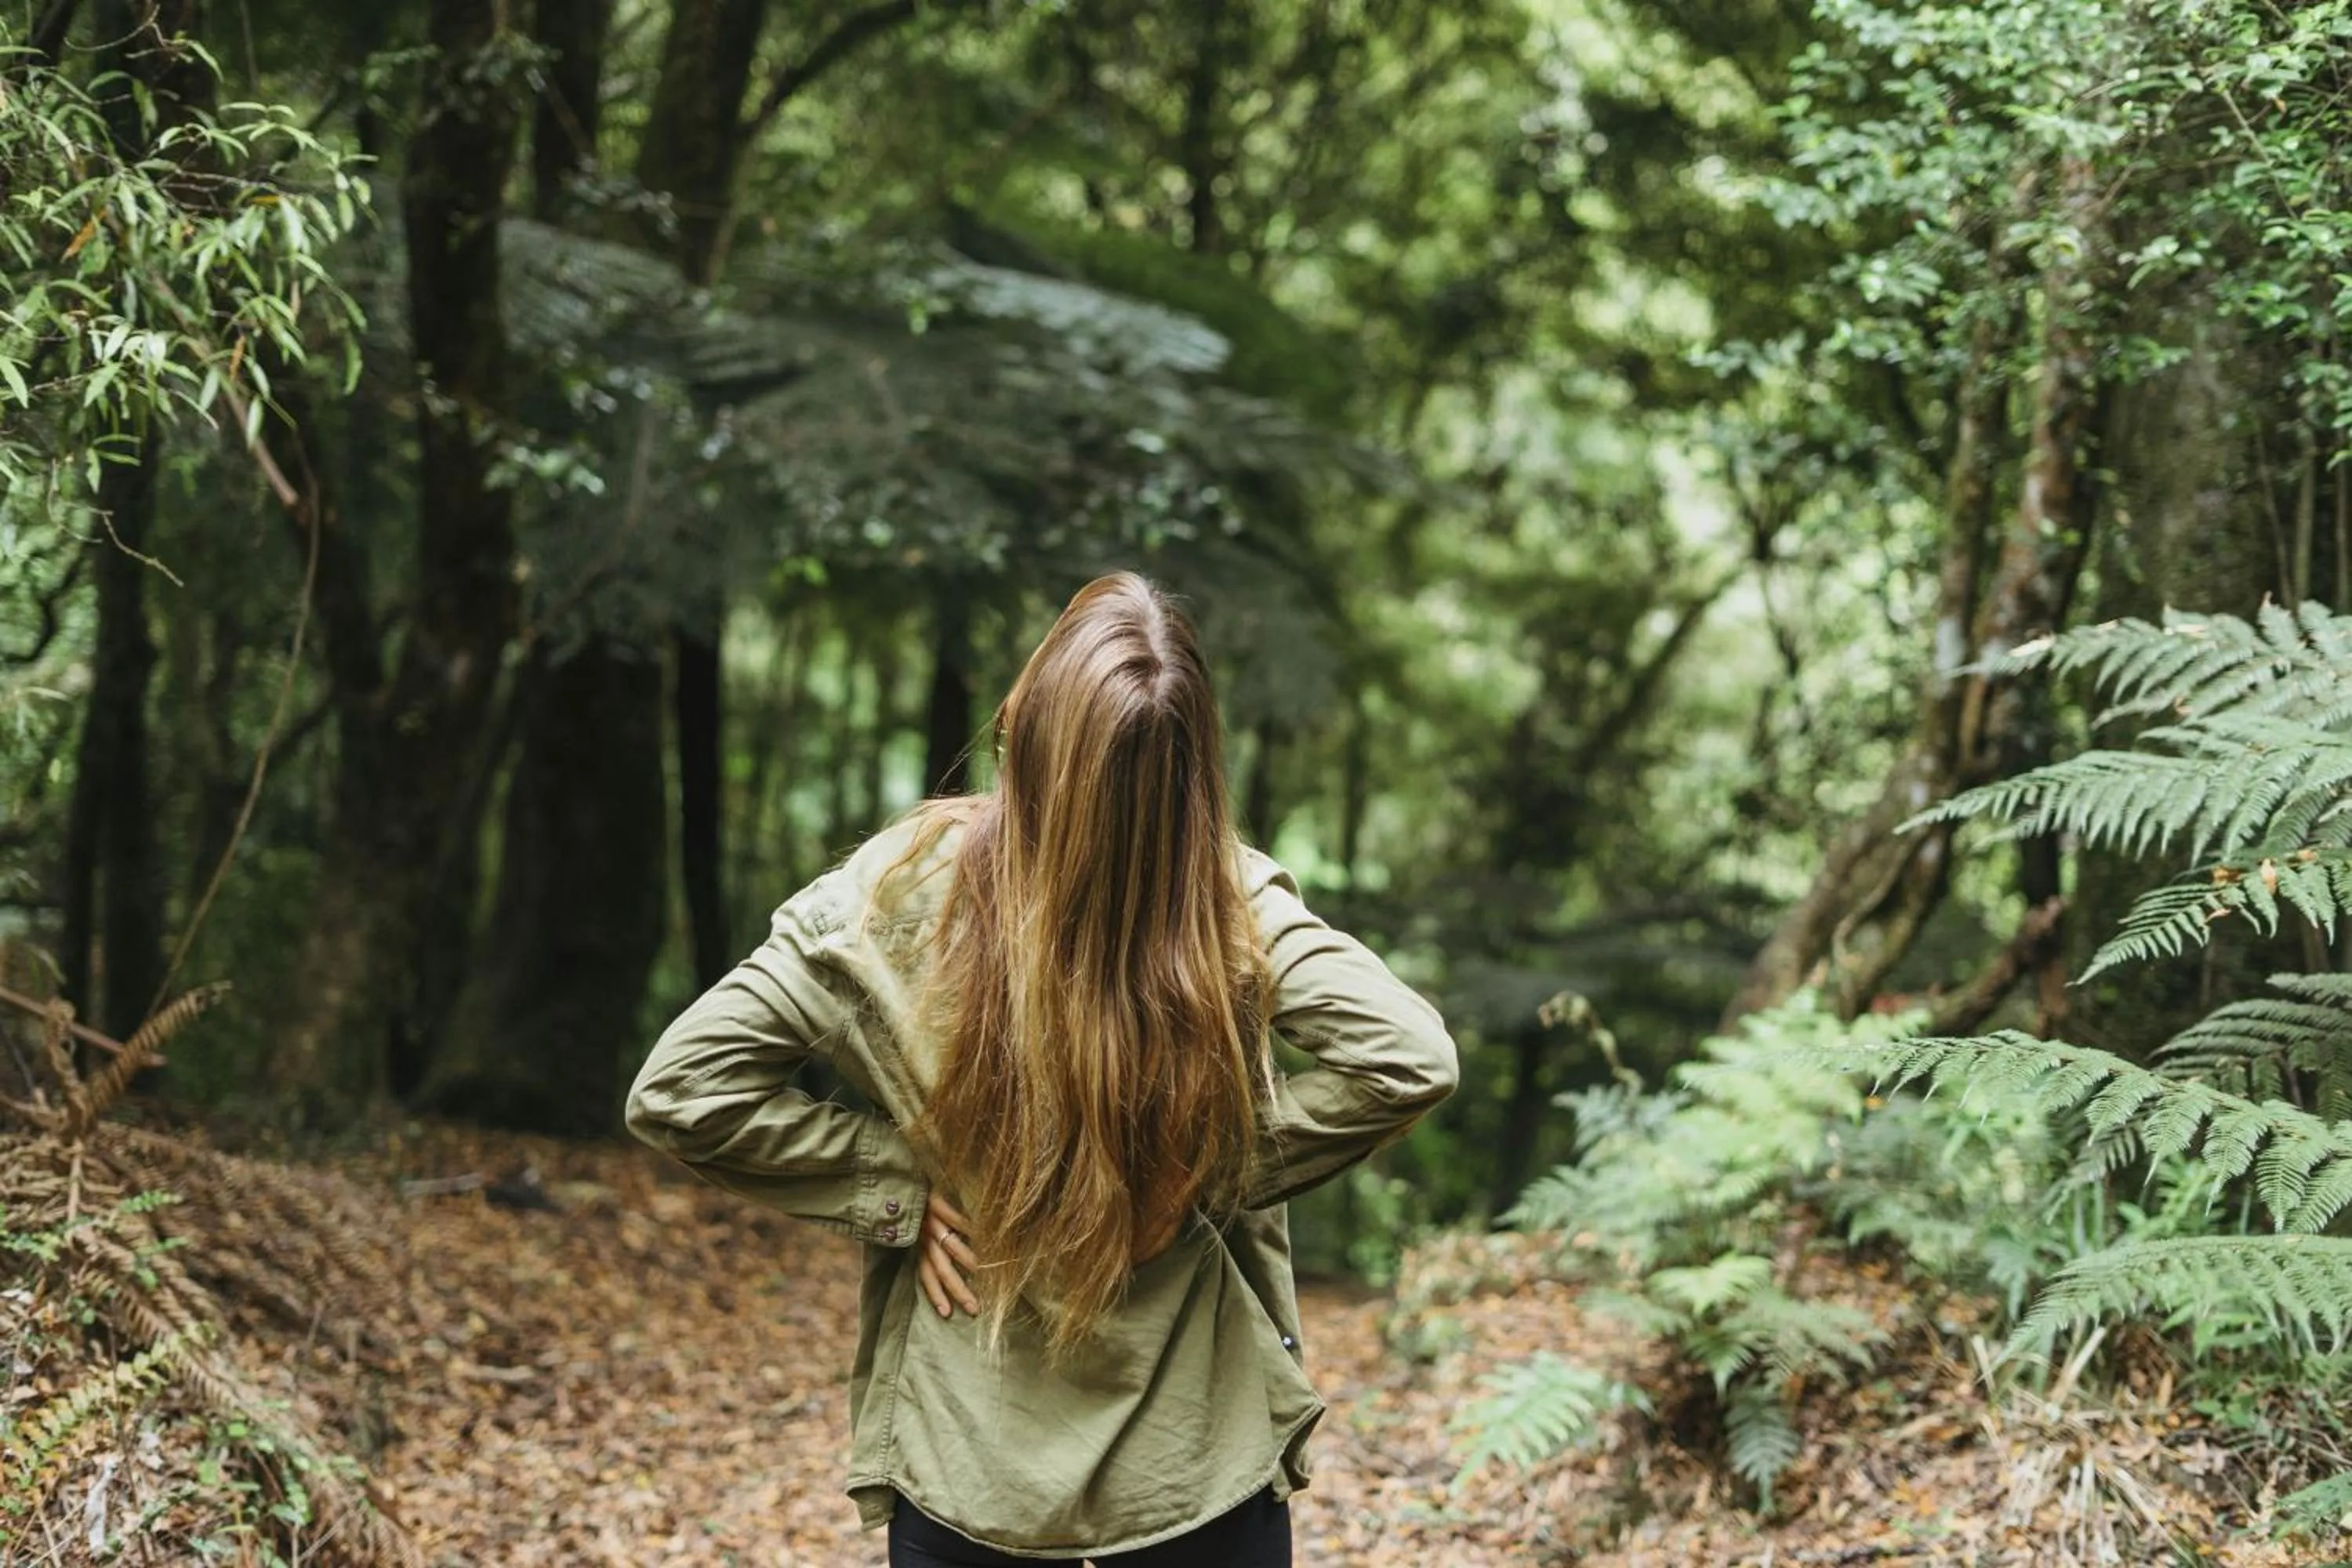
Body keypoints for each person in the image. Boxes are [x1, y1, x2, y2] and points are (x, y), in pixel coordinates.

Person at [626, 572, 1458, 1566]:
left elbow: (683, 1087)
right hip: (1196, 1471)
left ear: (1022, 724)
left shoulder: (891, 899)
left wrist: (895, 1177)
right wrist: (1202, 1167)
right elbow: (1408, 1056)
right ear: (1193, 777)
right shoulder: (1226, 903)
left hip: (968, 1469)